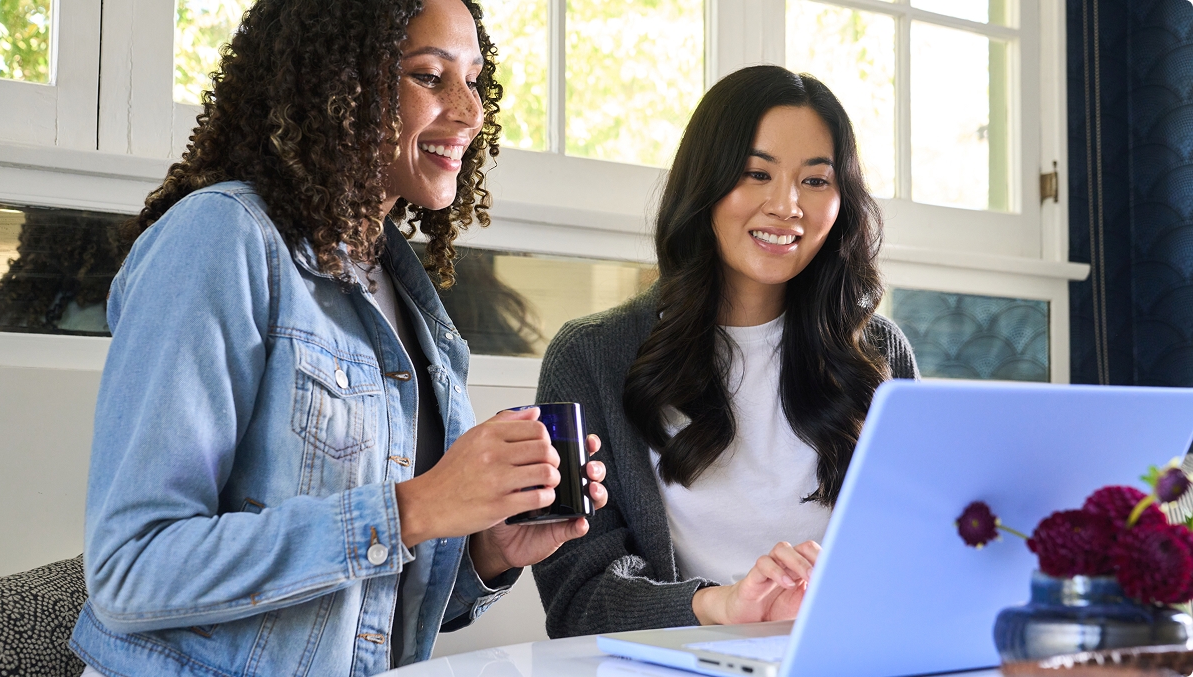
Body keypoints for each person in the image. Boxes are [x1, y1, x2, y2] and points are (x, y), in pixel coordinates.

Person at [67, 0, 606, 675]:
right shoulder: (221, 238)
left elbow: (366, 603)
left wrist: (485, 551)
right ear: (337, 84)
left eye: (473, 79)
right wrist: (414, 507)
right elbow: (131, 569)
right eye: (429, 76)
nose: (470, 111)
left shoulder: (403, 292)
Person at [530, 65, 918, 638]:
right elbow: (577, 599)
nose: (787, 205)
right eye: (755, 173)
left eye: (815, 181)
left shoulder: (878, 353)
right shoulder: (591, 356)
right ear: (705, 184)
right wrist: (722, 604)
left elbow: (919, 547)